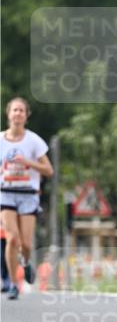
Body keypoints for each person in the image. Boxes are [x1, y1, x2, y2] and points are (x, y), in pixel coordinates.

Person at [1, 97, 54, 300]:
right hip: (6, 193)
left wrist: (27, 162)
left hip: (28, 195)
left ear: (26, 116)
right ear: (8, 114)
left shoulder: (33, 141)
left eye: (21, 111)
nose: (18, 114)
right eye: (14, 110)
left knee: (26, 243)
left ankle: (26, 262)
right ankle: (14, 283)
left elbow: (49, 170)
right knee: (12, 239)